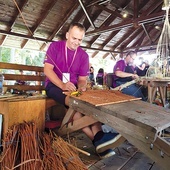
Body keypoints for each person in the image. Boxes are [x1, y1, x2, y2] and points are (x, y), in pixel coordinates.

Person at [44, 23, 123, 159]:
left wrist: (82, 86)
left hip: (73, 88)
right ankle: (99, 139)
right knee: (75, 103)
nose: (77, 42)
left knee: (90, 103)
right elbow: (47, 70)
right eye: (74, 38)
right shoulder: (55, 47)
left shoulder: (83, 56)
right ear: (67, 35)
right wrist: (62, 85)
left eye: (80, 40)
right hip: (54, 85)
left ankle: (99, 141)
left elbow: (82, 79)